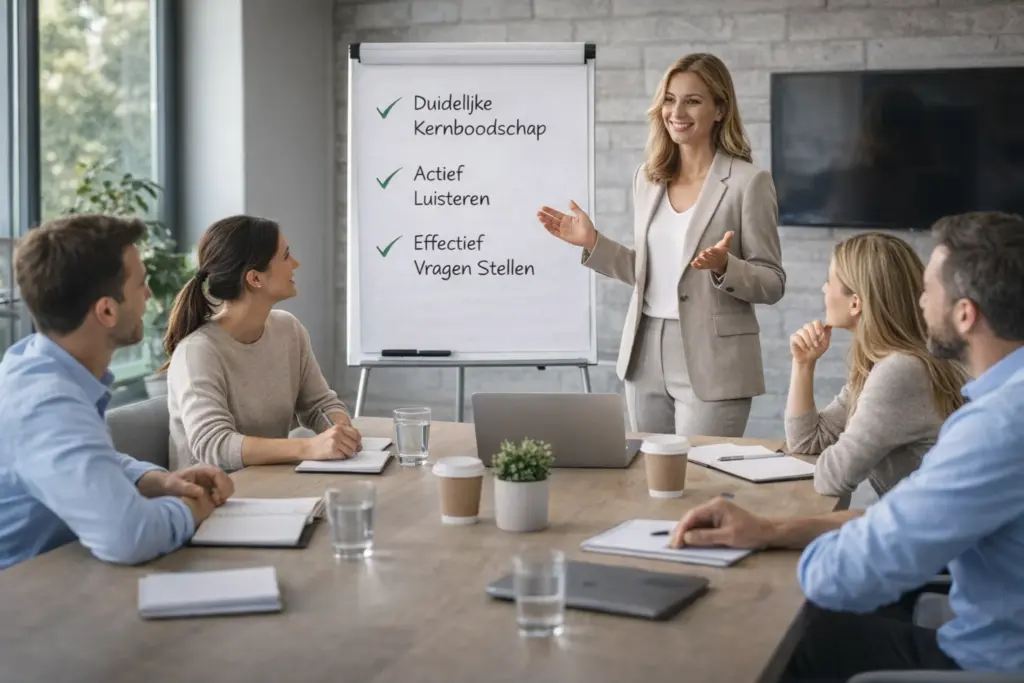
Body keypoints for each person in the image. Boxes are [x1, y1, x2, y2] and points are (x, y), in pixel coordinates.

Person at [669, 211, 1024, 680]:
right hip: (978, 622)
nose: (919, 302)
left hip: (986, 661)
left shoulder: (995, 424)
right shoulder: (1000, 401)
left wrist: (775, 558)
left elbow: (840, 575)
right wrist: (771, 530)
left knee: (779, 628)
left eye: (928, 290)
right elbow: (895, 512)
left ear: (964, 314)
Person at [537, 53, 784, 438]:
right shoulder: (648, 178)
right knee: (649, 471)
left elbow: (772, 282)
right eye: (669, 99)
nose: (677, 112)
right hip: (644, 353)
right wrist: (592, 242)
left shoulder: (748, 182)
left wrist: (726, 267)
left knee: (700, 470)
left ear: (720, 109)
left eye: (693, 101)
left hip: (713, 360)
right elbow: (648, 273)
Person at [0, 214, 234, 570]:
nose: (149, 294)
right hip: (26, 591)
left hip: (66, 571)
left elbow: (87, 459)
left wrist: (159, 481)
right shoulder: (46, 403)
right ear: (107, 310)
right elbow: (130, 536)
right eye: (141, 284)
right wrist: (192, 508)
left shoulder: (37, 362)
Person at [163, 215, 360, 472]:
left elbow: (320, 404)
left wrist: (339, 430)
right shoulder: (197, 352)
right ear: (255, 278)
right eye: (286, 256)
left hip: (270, 482)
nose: (296, 264)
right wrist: (308, 448)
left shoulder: (288, 329)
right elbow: (213, 444)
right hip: (215, 492)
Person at [785, 232, 968, 498]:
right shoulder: (883, 363)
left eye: (829, 281)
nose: (824, 289)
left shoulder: (900, 371)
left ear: (855, 303)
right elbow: (807, 441)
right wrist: (803, 364)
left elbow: (833, 478)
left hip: (932, 523)